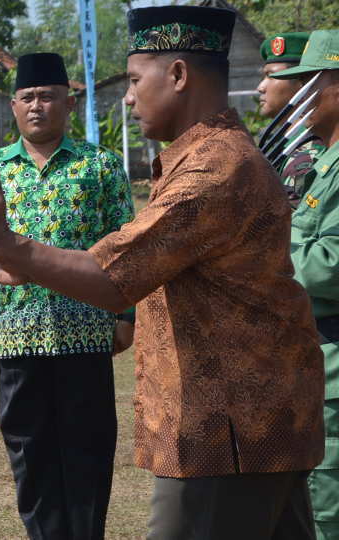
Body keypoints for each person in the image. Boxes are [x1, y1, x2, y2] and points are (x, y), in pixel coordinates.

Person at [0, 6, 324, 539]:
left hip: (224, 434)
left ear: (178, 75)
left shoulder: (214, 169)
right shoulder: (207, 158)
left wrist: (5, 244)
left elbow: (112, 275)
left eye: (137, 80)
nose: (128, 97)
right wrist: (21, 268)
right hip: (246, 427)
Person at [0, 52, 134, 540]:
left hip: (88, 331)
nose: (37, 106)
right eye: (28, 98)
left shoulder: (100, 166)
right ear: (14, 106)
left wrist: (126, 315)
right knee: (29, 450)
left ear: (69, 103)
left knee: (88, 448)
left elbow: (126, 244)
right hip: (16, 334)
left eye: (48, 97)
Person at [271, 30, 339, 539]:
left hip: (334, 364)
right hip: (312, 361)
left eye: (310, 83)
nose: (300, 96)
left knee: (327, 511)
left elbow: (330, 266)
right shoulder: (322, 161)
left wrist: (269, 247)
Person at [256, 31, 324, 207]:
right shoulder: (273, 141)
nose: (260, 87)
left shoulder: (310, 151)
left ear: (303, 84)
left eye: (271, 75)